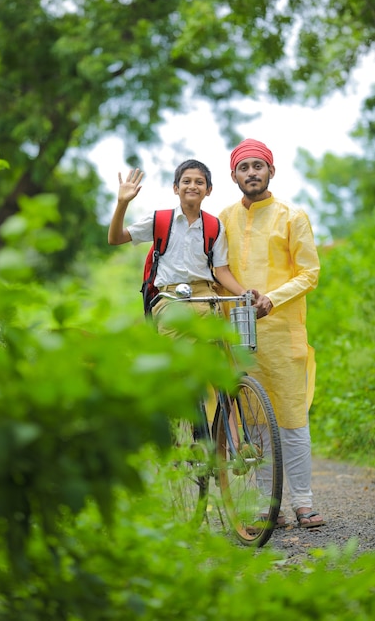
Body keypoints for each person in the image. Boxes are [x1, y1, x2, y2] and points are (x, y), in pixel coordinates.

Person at [219, 138, 325, 529]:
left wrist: (272, 300)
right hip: (240, 333)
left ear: (271, 171)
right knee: (256, 418)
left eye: (258, 166)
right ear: (234, 176)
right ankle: (269, 505)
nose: (252, 173)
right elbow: (217, 268)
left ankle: (303, 502)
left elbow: (309, 273)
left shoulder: (291, 217)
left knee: (292, 418)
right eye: (244, 168)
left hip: (283, 333)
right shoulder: (224, 218)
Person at [108, 159, 249, 332]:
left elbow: (222, 270)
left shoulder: (214, 226)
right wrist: (123, 203)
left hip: (205, 300)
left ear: (209, 190)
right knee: (176, 353)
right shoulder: (159, 220)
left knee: (210, 354)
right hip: (170, 300)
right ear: (176, 188)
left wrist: (243, 293)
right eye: (186, 181)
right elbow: (115, 238)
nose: (192, 186)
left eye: (199, 182)